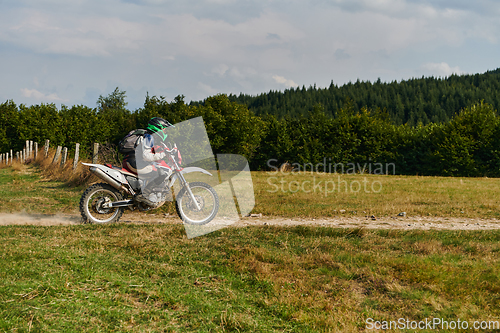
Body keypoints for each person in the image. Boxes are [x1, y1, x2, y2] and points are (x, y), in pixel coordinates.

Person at [122, 117, 174, 206]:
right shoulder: (149, 137)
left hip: (132, 161)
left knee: (157, 169)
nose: (165, 131)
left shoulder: (148, 136)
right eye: (164, 129)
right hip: (135, 163)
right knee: (162, 173)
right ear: (158, 128)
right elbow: (146, 156)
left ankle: (145, 192)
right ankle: (144, 195)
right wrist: (163, 154)